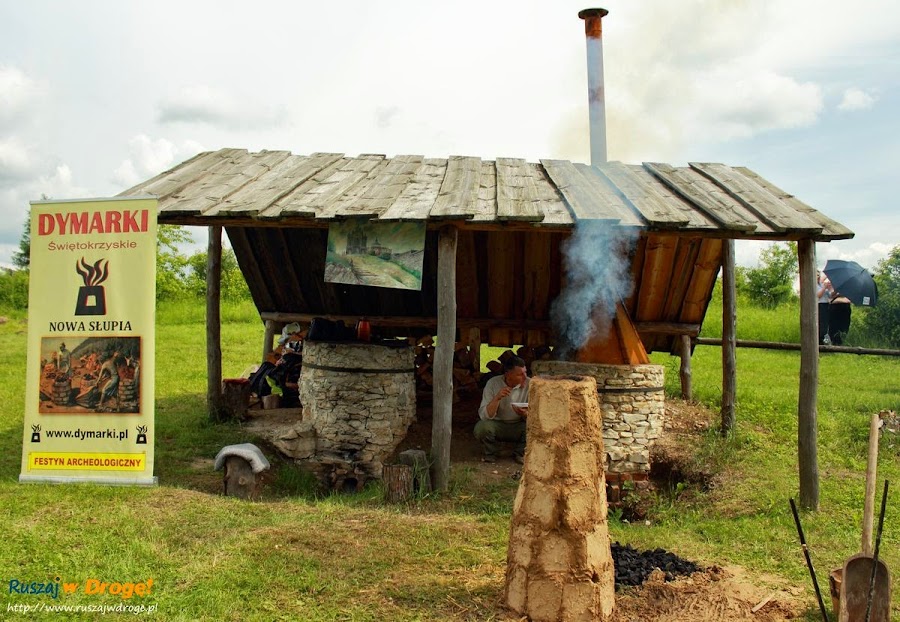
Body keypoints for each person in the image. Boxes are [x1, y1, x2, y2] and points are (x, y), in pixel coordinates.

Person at [474, 356, 529, 464]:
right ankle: (490, 454)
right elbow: (485, 416)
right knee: (481, 428)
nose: (525, 377)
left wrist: (526, 414)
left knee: (534, 427)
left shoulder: (530, 384)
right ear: (508, 374)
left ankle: (520, 453)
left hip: (519, 425)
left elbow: (538, 416)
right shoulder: (493, 383)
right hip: (497, 424)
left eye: (525, 372)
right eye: (520, 374)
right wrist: (497, 398)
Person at [816, 271, 834, 345]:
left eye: (818, 275)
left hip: (826, 304)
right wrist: (824, 288)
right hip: (819, 305)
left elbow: (830, 296)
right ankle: (819, 341)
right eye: (816, 275)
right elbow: (818, 296)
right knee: (821, 323)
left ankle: (823, 340)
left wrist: (832, 289)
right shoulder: (813, 285)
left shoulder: (821, 284)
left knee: (825, 324)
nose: (817, 276)